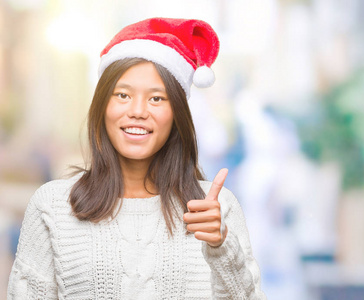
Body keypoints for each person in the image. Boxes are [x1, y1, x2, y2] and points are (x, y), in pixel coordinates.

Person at [7, 18, 266, 299]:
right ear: (102, 107)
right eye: (122, 95)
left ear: (177, 115)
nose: (138, 111)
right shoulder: (53, 206)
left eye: (157, 99)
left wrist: (221, 246)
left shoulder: (215, 209)